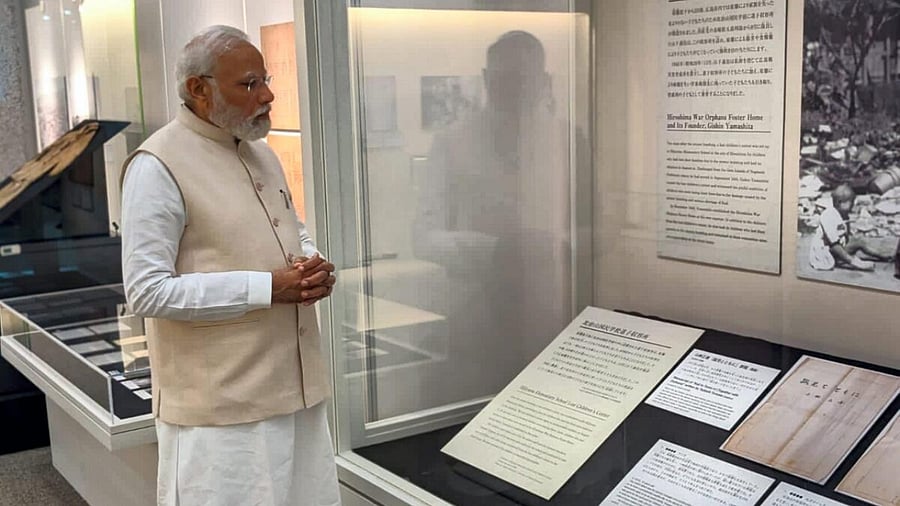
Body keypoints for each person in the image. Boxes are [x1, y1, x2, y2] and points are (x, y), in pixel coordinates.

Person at [120, 26, 339, 506]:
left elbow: (290, 230)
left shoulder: (260, 153)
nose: (268, 95)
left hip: (295, 390)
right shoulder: (157, 165)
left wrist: (313, 263)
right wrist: (267, 288)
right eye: (249, 84)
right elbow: (147, 291)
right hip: (222, 411)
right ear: (199, 89)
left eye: (266, 79)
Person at [411, 31, 575, 399]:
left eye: (525, 79)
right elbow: (423, 236)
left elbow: (601, 228)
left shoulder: (567, 140)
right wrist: (493, 249)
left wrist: (554, 244)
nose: (515, 90)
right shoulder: (452, 142)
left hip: (551, 314)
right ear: (486, 78)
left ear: (543, 80)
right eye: (504, 80)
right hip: (477, 319)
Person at [809, 183, 892, 271]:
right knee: (838, 246)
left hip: (838, 246)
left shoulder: (843, 214)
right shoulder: (828, 216)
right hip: (826, 251)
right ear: (839, 202)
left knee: (859, 241)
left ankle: (883, 256)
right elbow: (834, 244)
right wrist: (852, 260)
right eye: (851, 202)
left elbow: (846, 235)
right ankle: (851, 261)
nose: (853, 205)